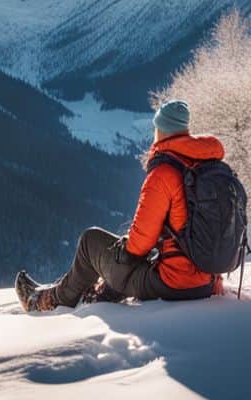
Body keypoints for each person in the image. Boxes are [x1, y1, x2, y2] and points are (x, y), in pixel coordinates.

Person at [16, 99, 225, 312]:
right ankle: (96, 296)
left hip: (175, 284)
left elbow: (139, 244)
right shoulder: (207, 167)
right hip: (209, 283)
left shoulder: (164, 174)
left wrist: (126, 246)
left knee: (92, 242)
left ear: (160, 130)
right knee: (133, 261)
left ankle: (48, 301)